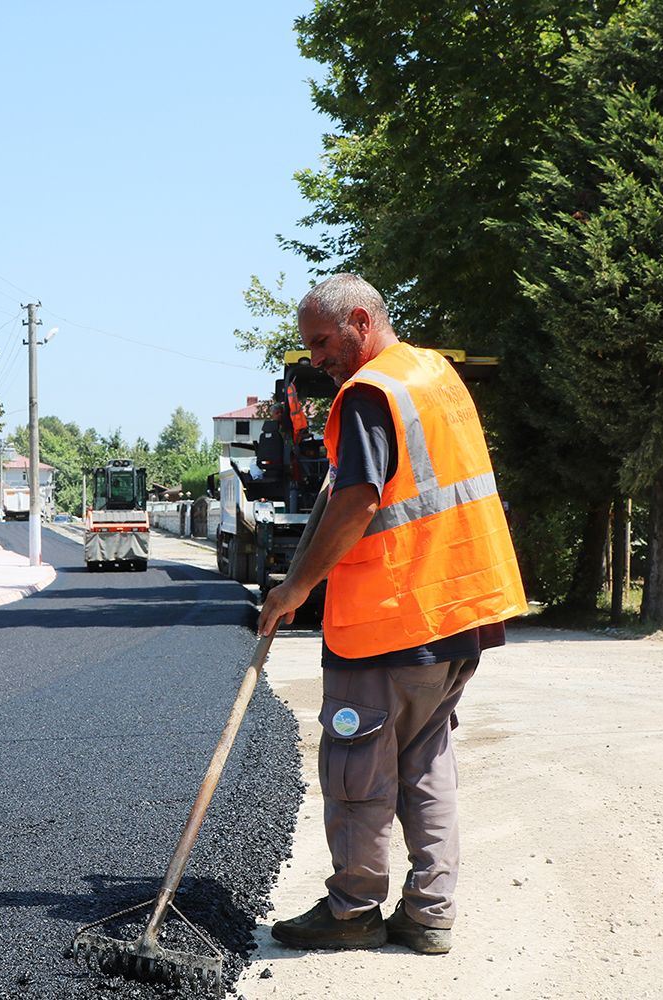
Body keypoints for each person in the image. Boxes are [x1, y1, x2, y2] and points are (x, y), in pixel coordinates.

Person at [258, 274, 526, 956]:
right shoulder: (432, 375)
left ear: (359, 320)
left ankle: (352, 910)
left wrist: (295, 588)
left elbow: (359, 501)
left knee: (357, 769)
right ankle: (430, 912)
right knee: (426, 763)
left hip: (390, 620)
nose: (317, 358)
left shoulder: (369, 393)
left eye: (323, 341)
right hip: (456, 614)